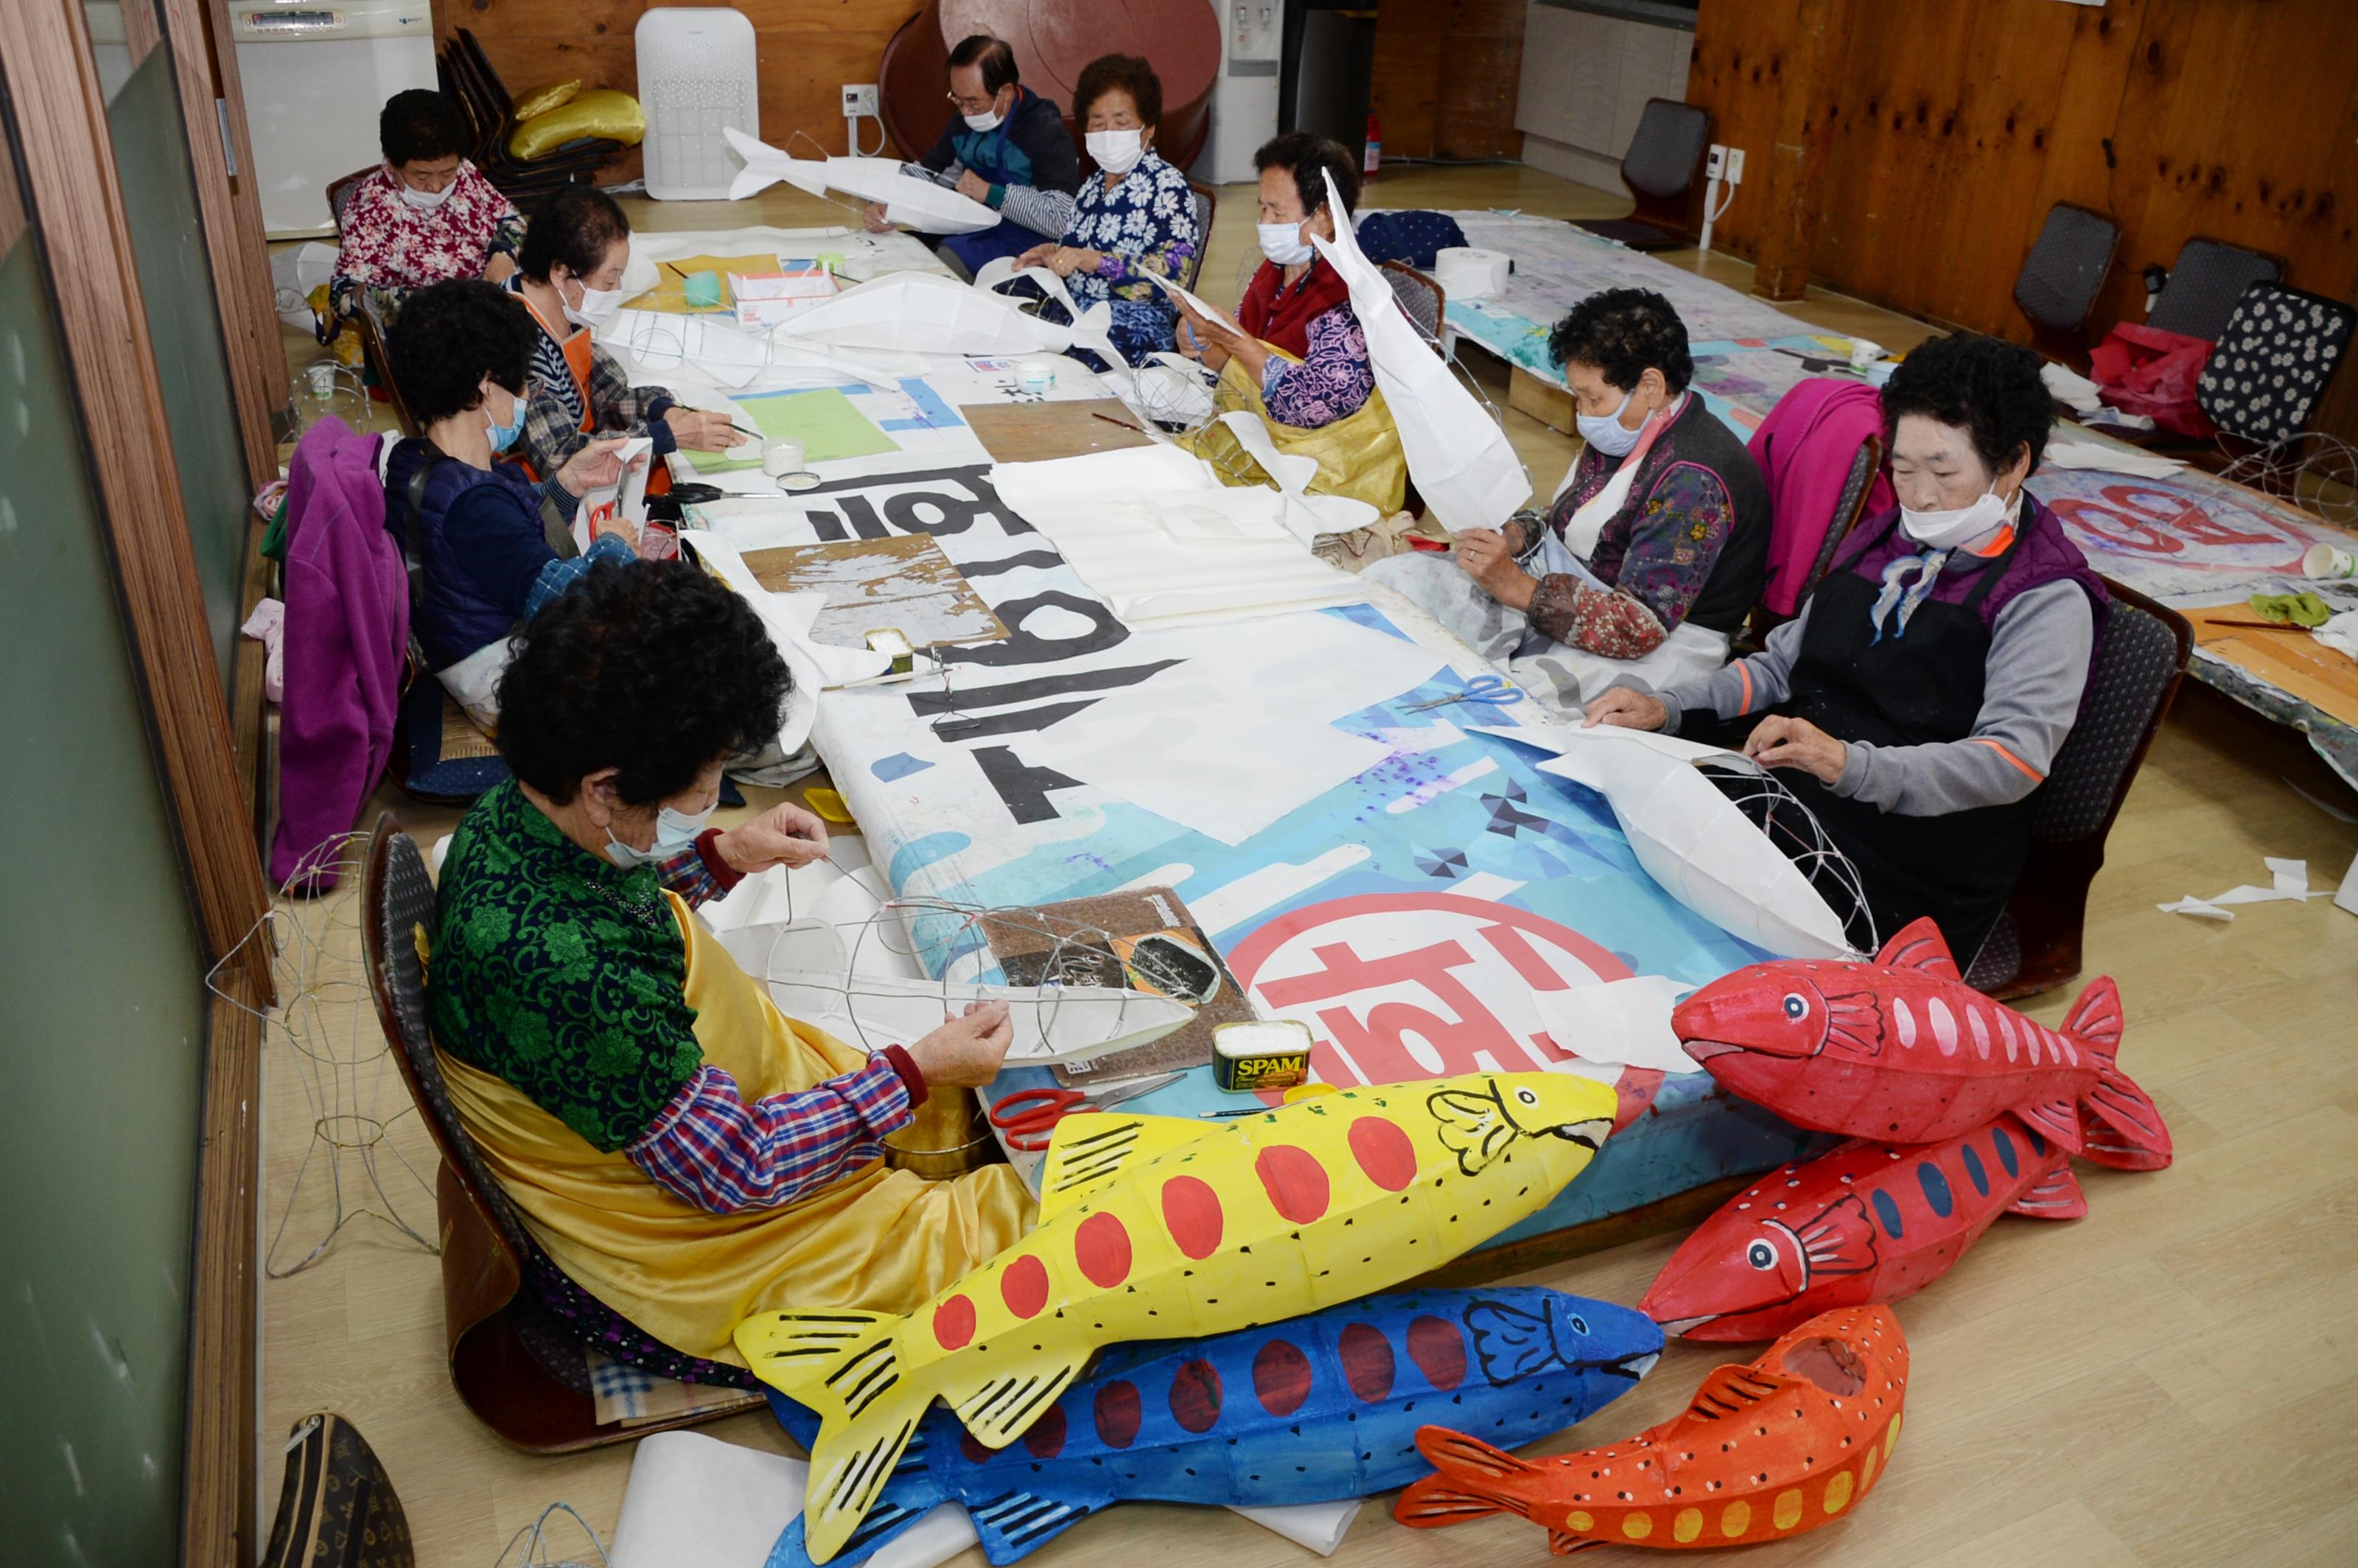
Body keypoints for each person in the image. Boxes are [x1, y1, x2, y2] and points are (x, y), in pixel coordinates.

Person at [430, 559, 1035, 1367]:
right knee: (1036, 1227)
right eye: (707, 780)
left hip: (700, 1106)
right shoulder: (564, 972)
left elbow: (622, 902)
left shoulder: (528, 804)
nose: (716, 795)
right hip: (703, 1237)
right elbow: (734, 1169)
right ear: (607, 788)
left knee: (992, 1114)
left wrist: (726, 854)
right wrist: (910, 1072)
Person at [1585, 332, 2107, 962]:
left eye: (1944, 471)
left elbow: (2012, 761)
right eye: (1903, 470)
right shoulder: (1885, 537)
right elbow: (1782, 666)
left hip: (1917, 859)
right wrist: (1666, 708)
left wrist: (1847, 765)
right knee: (1621, 842)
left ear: (2014, 464)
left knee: (1698, 930)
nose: (1919, 496)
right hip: (1809, 795)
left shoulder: (2044, 595)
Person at [1366, 288, 1768, 712]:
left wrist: (1514, 586)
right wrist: (1518, 534)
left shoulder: (1692, 483)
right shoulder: (1630, 424)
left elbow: (1638, 627)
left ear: (1651, 385)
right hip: (1565, 587)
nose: (1583, 412)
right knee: (1395, 583)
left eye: (1592, 397)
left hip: (1658, 644)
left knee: (1499, 702)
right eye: (1579, 396)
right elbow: (1576, 517)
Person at [381, 279, 642, 727]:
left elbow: (498, 546)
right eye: (521, 385)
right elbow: (570, 602)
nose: (524, 398)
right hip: (510, 687)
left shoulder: (418, 463)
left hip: (469, 647)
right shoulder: (477, 504)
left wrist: (565, 485)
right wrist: (614, 547)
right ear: (485, 388)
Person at [1170, 132, 1404, 513]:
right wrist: (1204, 342)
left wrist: (1236, 342)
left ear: (1326, 217)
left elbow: (1311, 405)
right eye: (1262, 209)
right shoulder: (1273, 273)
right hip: (1267, 448)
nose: (1265, 222)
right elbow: (1242, 372)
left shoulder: (1347, 300)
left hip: (1329, 480)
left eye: (1277, 213)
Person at [503, 185, 744, 484]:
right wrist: (663, 437)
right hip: (529, 491)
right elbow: (562, 459)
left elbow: (608, 393)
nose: (616, 291)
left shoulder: (563, 306)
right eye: (610, 278)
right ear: (562, 273)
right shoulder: (513, 344)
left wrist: (663, 411)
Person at [1013, 53, 1200, 365]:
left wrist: (1098, 262)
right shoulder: (1092, 185)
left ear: (1149, 128)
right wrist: (1054, 254)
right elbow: (1079, 253)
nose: (1107, 132)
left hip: (1134, 321)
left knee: (1065, 353)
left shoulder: (1168, 186)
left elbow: (1173, 274)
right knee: (1014, 320)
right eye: (1097, 122)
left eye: (1121, 121)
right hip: (1078, 310)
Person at [871, 34, 1081, 279]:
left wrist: (992, 193)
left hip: (1029, 242)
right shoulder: (962, 122)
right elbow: (930, 175)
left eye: (974, 103)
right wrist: (889, 204)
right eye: (957, 100)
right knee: (900, 250)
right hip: (974, 228)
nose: (965, 112)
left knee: (946, 262)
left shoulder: (1045, 131)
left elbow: (1061, 218)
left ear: (1006, 93)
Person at [330, 89, 523, 323]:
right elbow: (344, 299)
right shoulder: (372, 208)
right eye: (421, 176)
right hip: (433, 332)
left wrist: (502, 255)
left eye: (447, 172)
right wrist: (435, 301)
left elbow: (511, 220)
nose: (436, 186)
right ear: (392, 163)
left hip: (495, 308)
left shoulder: (465, 174)